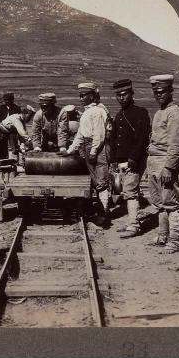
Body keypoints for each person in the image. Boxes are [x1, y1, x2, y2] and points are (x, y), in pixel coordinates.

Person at [62, 83, 112, 227]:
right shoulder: (86, 113)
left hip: (97, 148)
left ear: (92, 96)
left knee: (101, 182)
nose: (81, 98)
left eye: (84, 95)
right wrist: (70, 150)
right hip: (87, 145)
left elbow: (99, 135)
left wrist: (94, 151)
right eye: (80, 95)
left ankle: (104, 215)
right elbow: (80, 134)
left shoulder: (96, 111)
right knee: (95, 181)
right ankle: (98, 211)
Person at [146, 74, 179, 252]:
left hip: (164, 162)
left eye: (162, 92)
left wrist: (169, 167)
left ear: (170, 91)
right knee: (159, 203)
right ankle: (163, 236)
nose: (159, 95)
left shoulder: (175, 113)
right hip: (154, 161)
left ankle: (175, 241)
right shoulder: (159, 112)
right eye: (156, 92)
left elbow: (175, 143)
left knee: (171, 203)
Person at [109, 79, 151, 238]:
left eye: (124, 94)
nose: (121, 97)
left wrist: (133, 158)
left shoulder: (140, 113)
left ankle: (134, 226)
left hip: (134, 161)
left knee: (130, 192)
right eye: (118, 95)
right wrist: (114, 159)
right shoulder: (119, 115)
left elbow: (142, 139)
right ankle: (131, 222)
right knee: (129, 191)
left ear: (131, 94)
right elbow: (114, 139)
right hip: (122, 161)